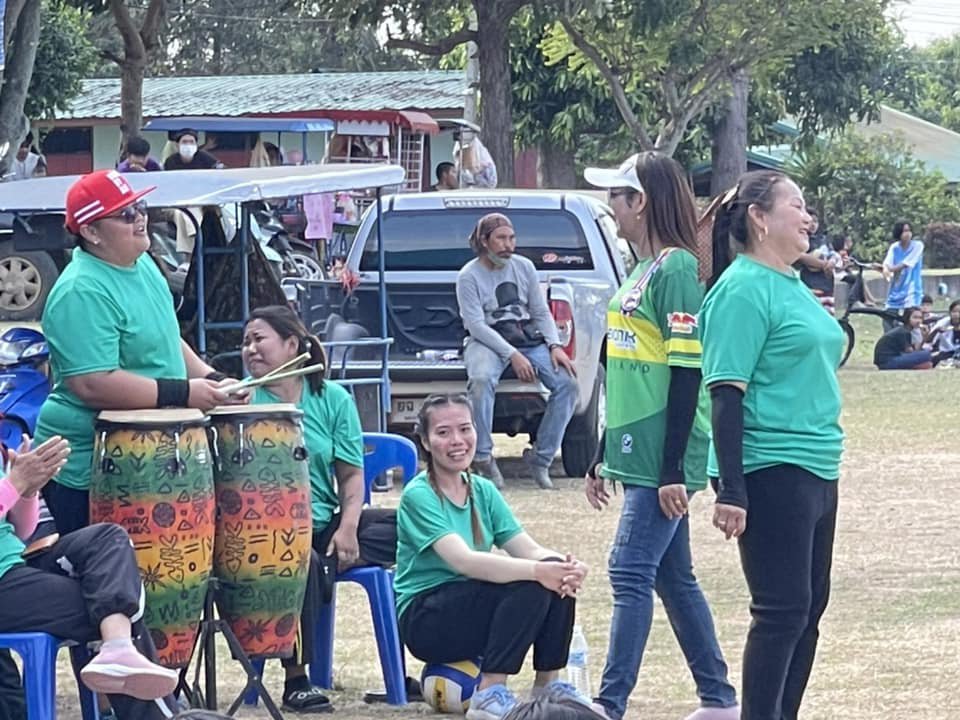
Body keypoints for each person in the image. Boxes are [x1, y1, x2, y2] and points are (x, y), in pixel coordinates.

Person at [582, 152, 739, 720]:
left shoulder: (675, 270)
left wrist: (674, 468)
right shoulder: (642, 268)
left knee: (628, 570)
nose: (610, 206)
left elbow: (686, 372)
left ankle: (609, 704)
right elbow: (623, 367)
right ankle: (719, 699)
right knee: (673, 577)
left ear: (641, 201)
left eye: (617, 196)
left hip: (662, 454)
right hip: (636, 446)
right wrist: (602, 451)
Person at [701, 170, 844, 720]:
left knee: (807, 610)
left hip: (817, 462)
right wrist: (731, 489)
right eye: (797, 206)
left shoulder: (792, 282)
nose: (809, 218)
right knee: (781, 611)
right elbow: (725, 394)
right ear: (760, 218)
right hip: (770, 463)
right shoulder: (741, 290)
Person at [34, 169, 238, 535]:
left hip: (149, 452)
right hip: (92, 466)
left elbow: (166, 336)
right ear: (91, 233)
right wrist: (184, 393)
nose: (140, 218)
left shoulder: (143, 264)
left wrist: (213, 378)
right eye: (125, 214)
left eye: (140, 207)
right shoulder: (81, 290)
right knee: (110, 566)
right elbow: (93, 383)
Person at [242, 305, 419, 712]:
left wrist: (348, 527)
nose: (250, 349)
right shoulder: (243, 399)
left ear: (292, 344)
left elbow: (351, 477)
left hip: (325, 522)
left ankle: (425, 665)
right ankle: (296, 679)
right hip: (266, 531)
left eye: (259, 339)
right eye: (245, 342)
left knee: (416, 529)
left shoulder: (332, 398)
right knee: (297, 561)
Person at [395, 393, 589, 720]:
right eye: (443, 433)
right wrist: (538, 571)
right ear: (426, 442)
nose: (457, 441)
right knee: (532, 581)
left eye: (465, 429)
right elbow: (464, 561)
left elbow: (528, 549)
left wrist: (566, 566)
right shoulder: (419, 494)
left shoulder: (482, 490)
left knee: (554, 574)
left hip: (472, 605)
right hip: (427, 618)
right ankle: (489, 692)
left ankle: (548, 686)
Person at [0, 434, 181, 719]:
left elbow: (22, 530)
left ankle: (118, 648)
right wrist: (15, 483)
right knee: (105, 607)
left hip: (16, 562)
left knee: (108, 540)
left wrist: (27, 492)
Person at [455, 213, 578, 489]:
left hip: (526, 338)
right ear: (484, 241)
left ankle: (541, 458)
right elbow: (475, 325)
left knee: (568, 384)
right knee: (481, 380)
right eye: (501, 239)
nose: (508, 245)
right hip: (486, 340)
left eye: (511, 238)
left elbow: (540, 311)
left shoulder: (524, 267)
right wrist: (512, 355)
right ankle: (483, 457)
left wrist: (554, 345)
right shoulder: (468, 276)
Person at [873, 307, 947, 370]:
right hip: (887, 361)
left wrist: (924, 337)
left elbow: (915, 351)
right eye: (915, 317)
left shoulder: (907, 330)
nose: (918, 321)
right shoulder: (903, 332)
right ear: (907, 318)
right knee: (926, 353)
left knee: (927, 360)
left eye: (920, 318)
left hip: (892, 359)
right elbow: (912, 352)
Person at [882, 221, 924, 332]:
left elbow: (906, 263)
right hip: (896, 290)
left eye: (909, 231)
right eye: (904, 231)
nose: (908, 234)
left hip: (911, 290)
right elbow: (887, 263)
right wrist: (885, 269)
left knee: (910, 320)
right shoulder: (894, 247)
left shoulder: (917, 246)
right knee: (887, 317)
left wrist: (890, 269)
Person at [793, 210, 835, 311]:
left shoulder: (823, 239)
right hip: (810, 284)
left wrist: (832, 262)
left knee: (827, 314)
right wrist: (823, 264)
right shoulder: (801, 239)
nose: (813, 225)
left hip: (827, 285)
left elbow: (833, 254)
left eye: (815, 221)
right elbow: (801, 257)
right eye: (809, 221)